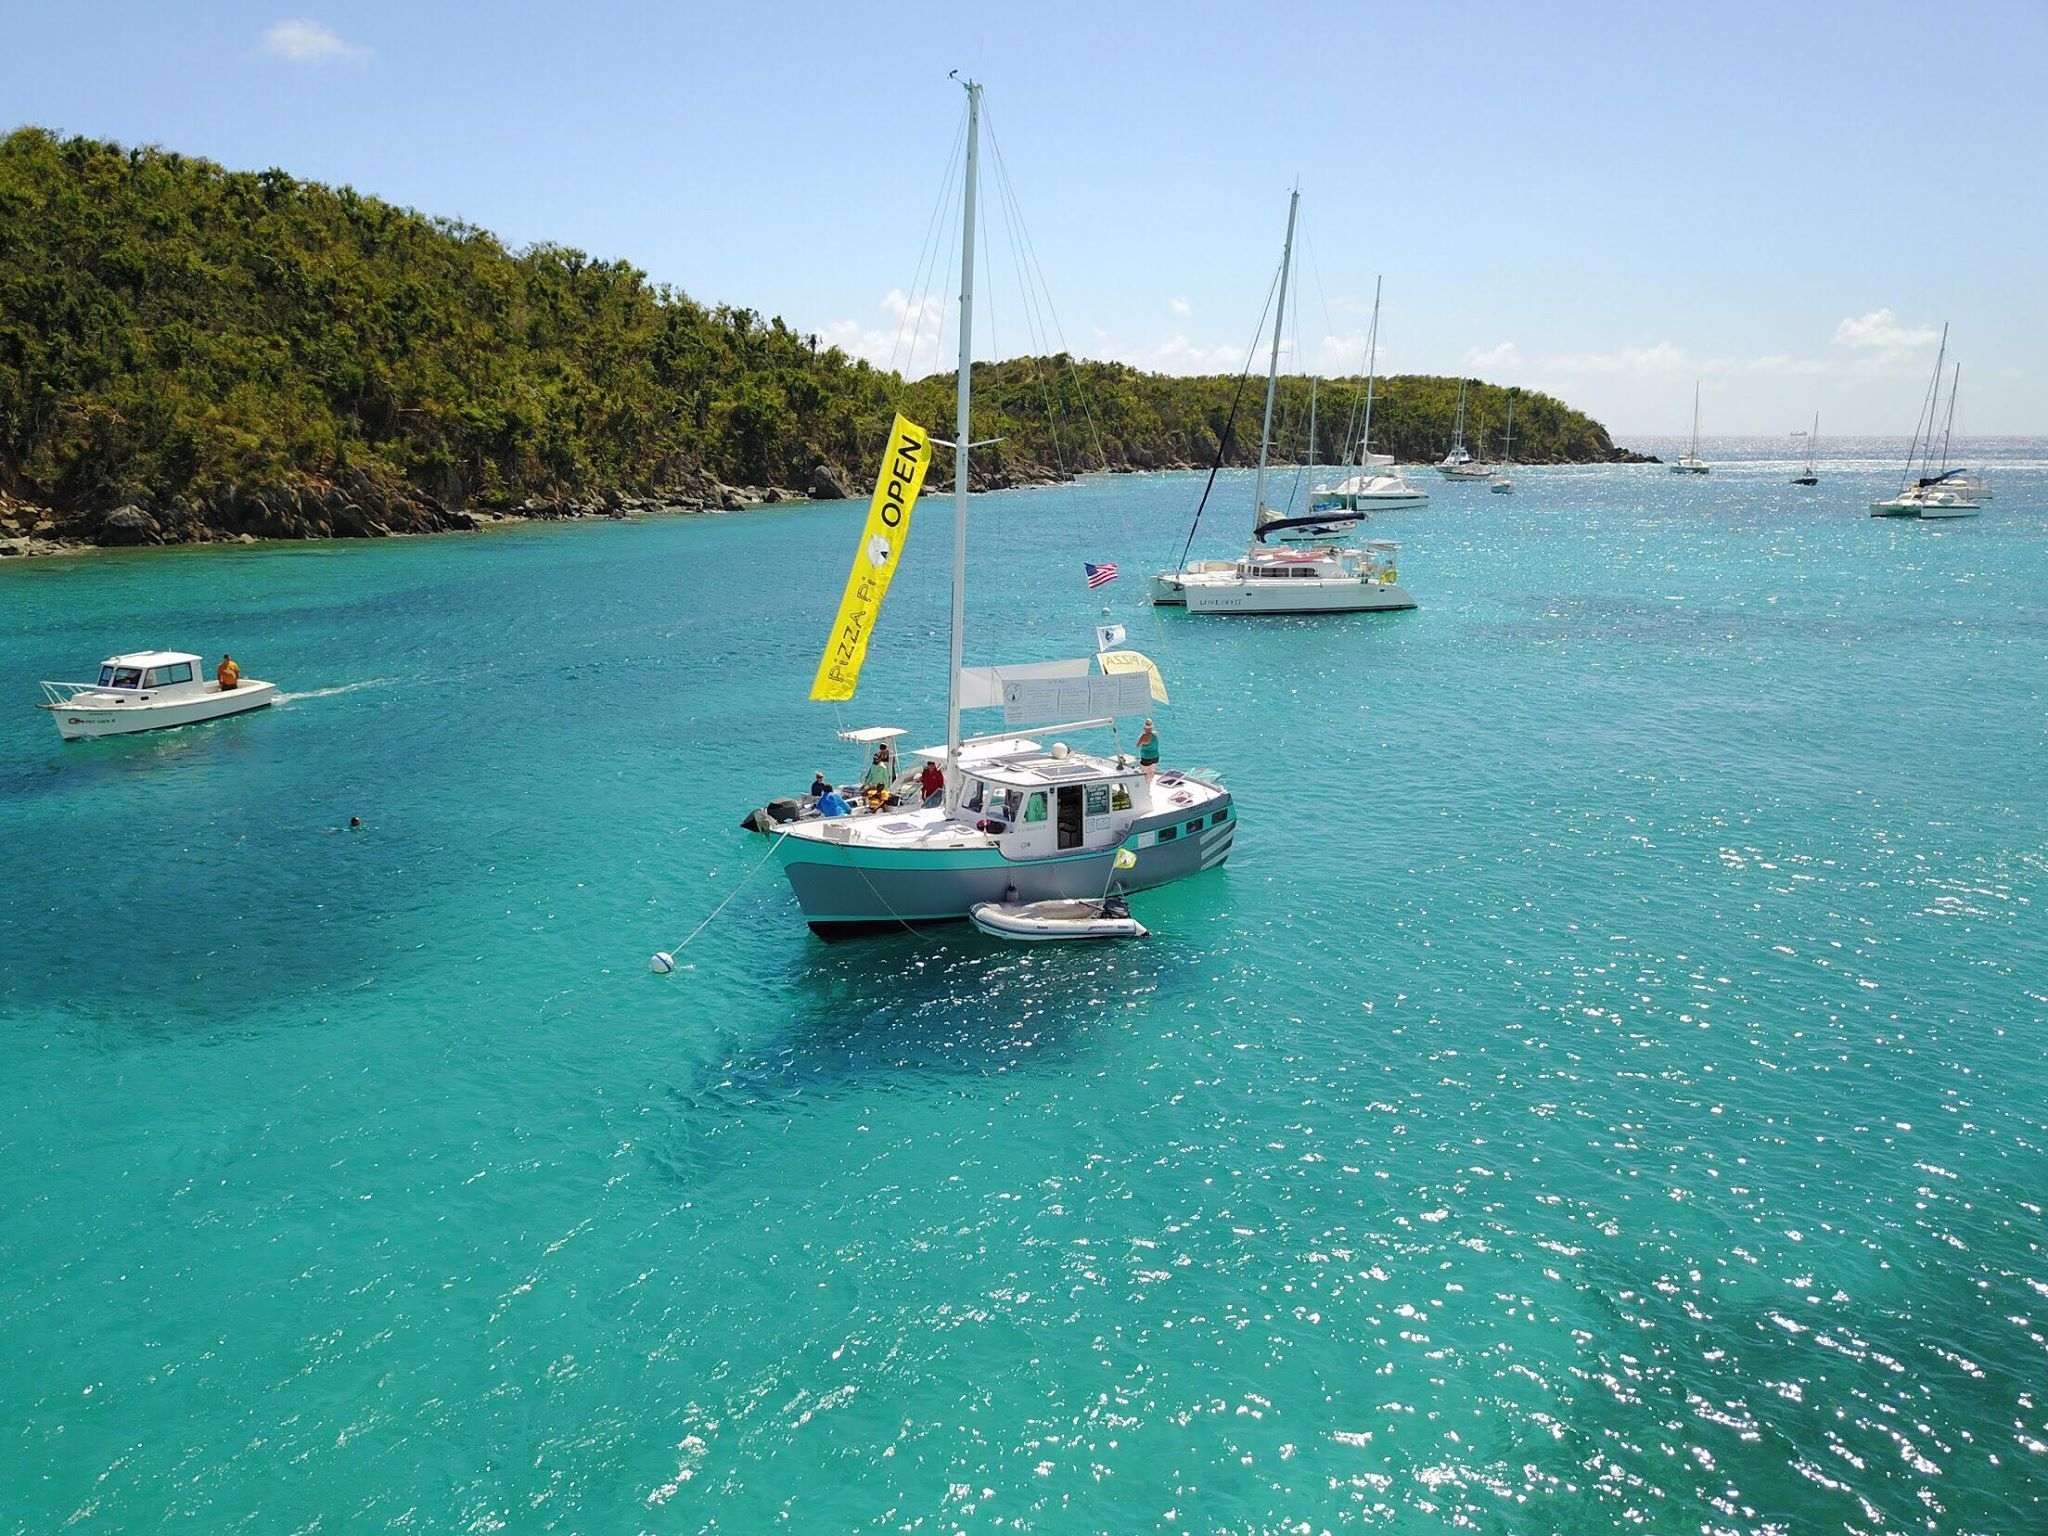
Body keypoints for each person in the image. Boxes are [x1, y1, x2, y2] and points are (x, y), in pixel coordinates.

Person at [1136, 718, 1159, 783]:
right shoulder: (1155, 734)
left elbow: (1138, 745)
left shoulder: (1143, 736)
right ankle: (1150, 782)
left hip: (1146, 758)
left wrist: (1140, 737)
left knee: (1145, 773)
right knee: (1151, 771)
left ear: (1144, 728)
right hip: (1156, 757)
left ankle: (1146, 785)